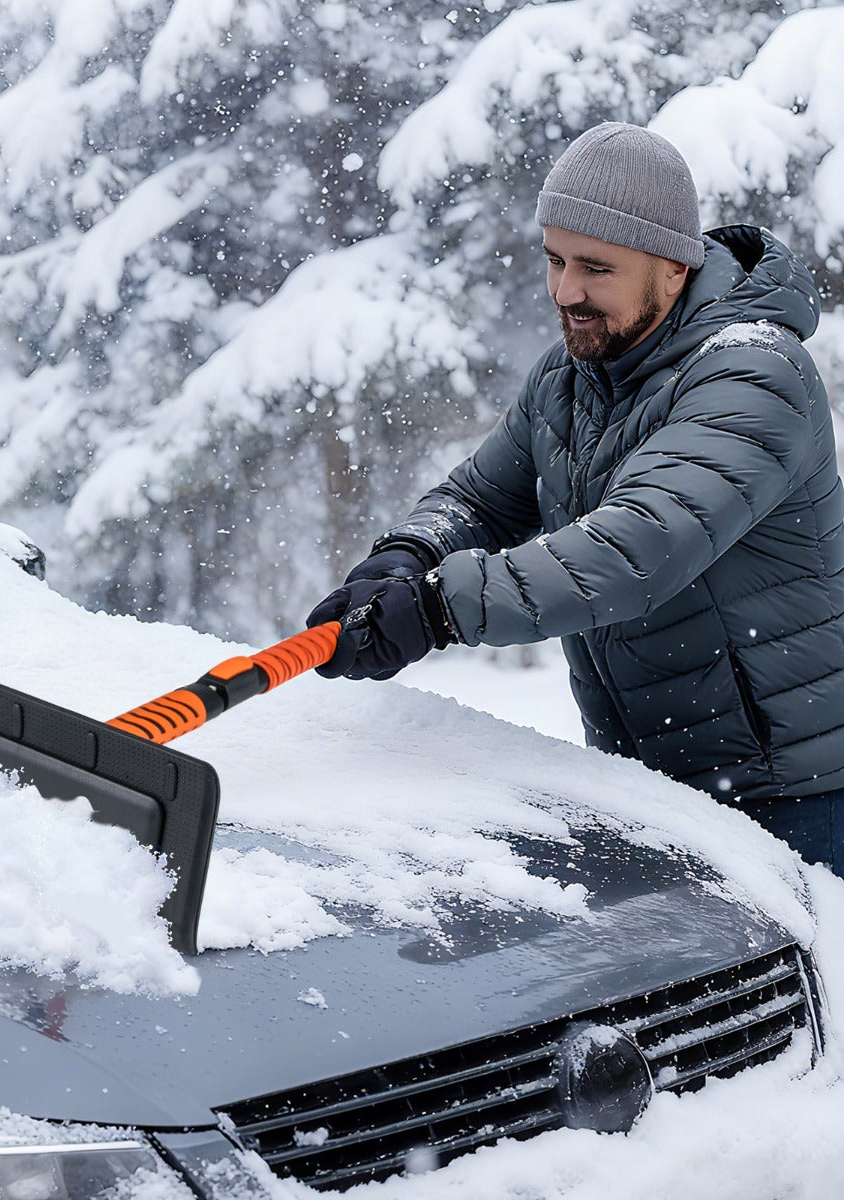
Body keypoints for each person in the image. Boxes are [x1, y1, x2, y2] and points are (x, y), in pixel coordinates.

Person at [307, 122, 844, 876]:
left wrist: (436, 608)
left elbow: (635, 550)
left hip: (795, 796)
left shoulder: (753, 373)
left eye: (595, 267)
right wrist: (408, 554)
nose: (566, 292)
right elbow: (481, 500)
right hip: (650, 787)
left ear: (674, 267)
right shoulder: (570, 378)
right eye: (555, 260)